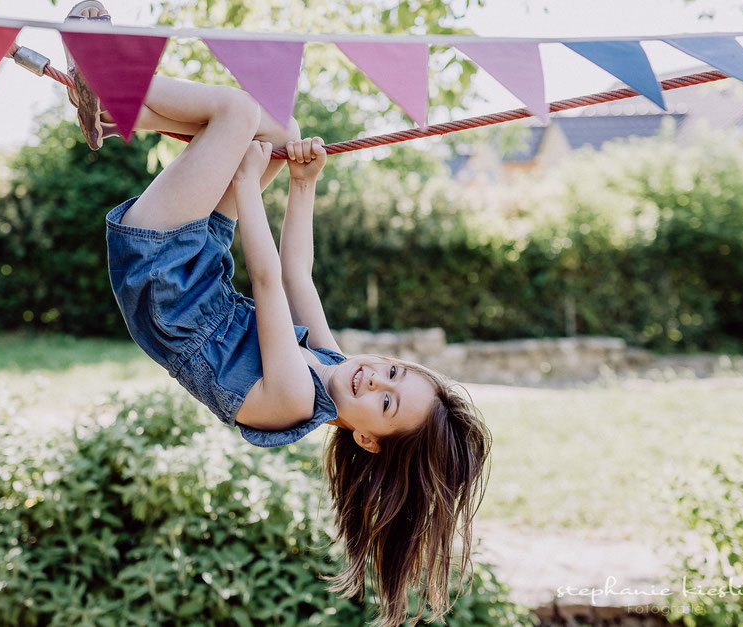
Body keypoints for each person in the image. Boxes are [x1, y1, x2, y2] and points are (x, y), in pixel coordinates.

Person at [65, 3, 492, 624]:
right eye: (394, 374)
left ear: (367, 438)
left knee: (239, 116)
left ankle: (110, 78)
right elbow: (297, 275)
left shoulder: (296, 399)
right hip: (197, 270)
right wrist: (302, 184)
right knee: (281, 128)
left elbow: (267, 281)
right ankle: (109, 107)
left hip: (162, 278)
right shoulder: (335, 366)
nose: (375, 379)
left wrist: (245, 181)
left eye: (386, 403)